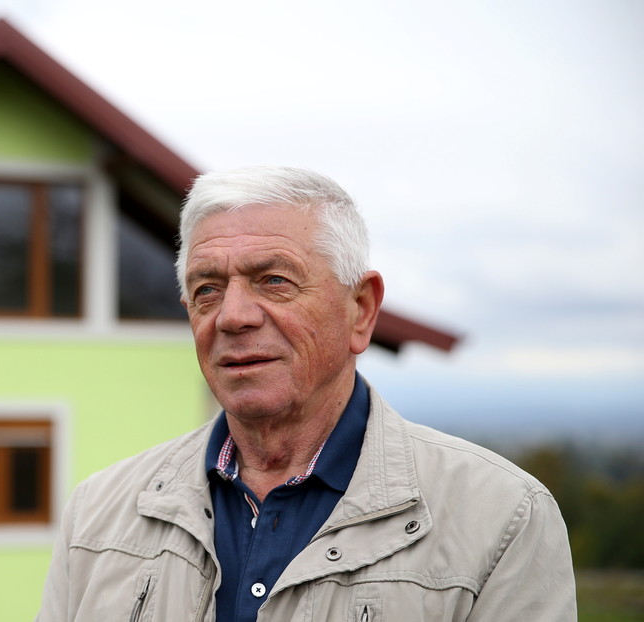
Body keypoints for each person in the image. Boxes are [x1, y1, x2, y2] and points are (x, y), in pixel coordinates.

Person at [36, 166, 576, 621]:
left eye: (274, 280)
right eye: (207, 290)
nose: (233, 316)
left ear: (360, 309)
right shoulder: (96, 516)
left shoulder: (503, 517)